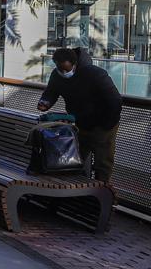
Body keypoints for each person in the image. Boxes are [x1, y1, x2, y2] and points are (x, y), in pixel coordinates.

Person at [37, 47, 122, 181]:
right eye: (60, 68)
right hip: (80, 123)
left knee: (103, 162)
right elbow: (51, 92)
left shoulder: (95, 74)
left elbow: (114, 100)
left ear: (75, 64)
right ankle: (74, 189)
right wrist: (45, 102)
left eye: (66, 69)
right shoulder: (56, 75)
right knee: (73, 158)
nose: (63, 72)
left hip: (103, 124)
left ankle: (101, 193)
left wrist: (107, 124)